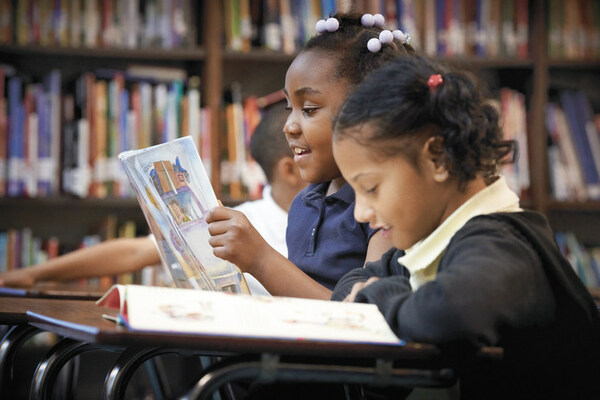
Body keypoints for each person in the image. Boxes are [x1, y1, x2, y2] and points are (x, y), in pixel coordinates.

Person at [330, 55, 600, 399]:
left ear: (437, 159)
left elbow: (451, 312)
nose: (360, 212)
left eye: (370, 188)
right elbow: (351, 284)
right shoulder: (428, 243)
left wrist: (375, 300)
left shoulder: (502, 243)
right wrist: (369, 294)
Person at [206, 11, 414, 300]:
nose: (289, 126)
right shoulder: (303, 204)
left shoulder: (379, 208)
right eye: (289, 107)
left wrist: (261, 260)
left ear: (369, 113)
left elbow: (365, 315)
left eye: (309, 109)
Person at [0, 102, 305, 291]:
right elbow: (135, 253)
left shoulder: (338, 219)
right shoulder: (243, 222)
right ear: (289, 170)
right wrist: (33, 274)